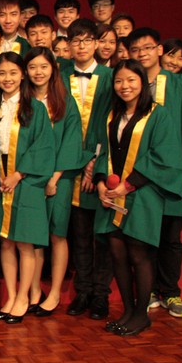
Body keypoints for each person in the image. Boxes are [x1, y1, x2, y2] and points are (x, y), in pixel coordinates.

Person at [93, 59, 182, 336]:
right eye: (119, 81)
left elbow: (163, 155)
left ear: (142, 83)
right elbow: (102, 150)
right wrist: (100, 181)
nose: (125, 86)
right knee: (117, 251)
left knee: (139, 252)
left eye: (131, 80)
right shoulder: (112, 115)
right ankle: (128, 311)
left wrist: (129, 185)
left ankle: (141, 314)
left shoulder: (158, 115)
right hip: (113, 194)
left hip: (143, 193)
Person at [126, 28, 182, 318]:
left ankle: (171, 293)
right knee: (144, 235)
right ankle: (147, 290)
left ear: (160, 50)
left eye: (147, 48)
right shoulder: (128, 84)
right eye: (135, 50)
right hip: (140, 175)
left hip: (174, 174)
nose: (142, 54)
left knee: (171, 238)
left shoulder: (181, 85)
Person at [24, 47, 89, 317]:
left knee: (57, 234)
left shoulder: (64, 100)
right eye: (32, 67)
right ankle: (34, 290)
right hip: (29, 178)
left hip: (59, 178)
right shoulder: (23, 101)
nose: (38, 72)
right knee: (33, 237)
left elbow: (72, 141)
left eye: (43, 67)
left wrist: (54, 177)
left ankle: (54, 294)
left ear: (53, 69)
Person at [0, 52, 55, 324]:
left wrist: (18, 174)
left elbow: (43, 146)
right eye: (2, 73)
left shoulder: (35, 108)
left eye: (13, 73)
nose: (8, 78)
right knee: (6, 242)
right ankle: (10, 294)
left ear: (23, 75)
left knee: (25, 244)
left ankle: (24, 297)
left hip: (26, 179)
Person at [61, 18, 115, 320]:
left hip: (102, 165)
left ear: (97, 43)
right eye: (75, 41)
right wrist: (77, 163)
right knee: (78, 232)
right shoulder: (60, 74)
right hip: (71, 167)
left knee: (102, 234)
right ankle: (82, 291)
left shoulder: (112, 76)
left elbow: (115, 124)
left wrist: (96, 162)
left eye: (86, 40)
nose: (80, 46)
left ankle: (100, 294)